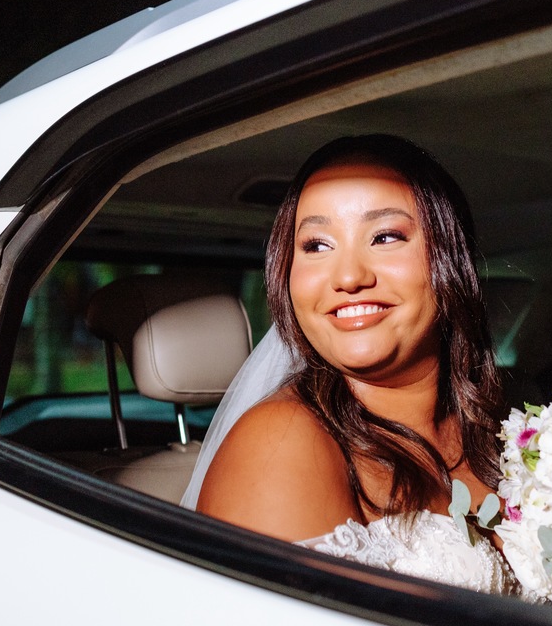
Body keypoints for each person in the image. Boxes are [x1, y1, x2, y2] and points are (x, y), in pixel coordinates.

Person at [185, 135, 526, 597]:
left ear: (450, 258)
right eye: (317, 245)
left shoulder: (514, 428)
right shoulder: (279, 442)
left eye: (385, 237)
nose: (348, 278)